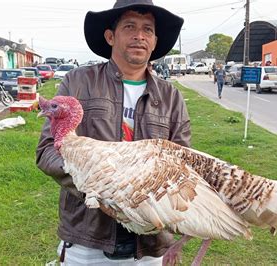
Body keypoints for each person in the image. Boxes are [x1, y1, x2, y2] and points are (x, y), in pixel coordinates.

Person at [36, 0, 189, 265]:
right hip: (88, 238)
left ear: (154, 42)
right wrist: (97, 190)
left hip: (150, 243)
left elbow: (183, 164)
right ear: (110, 36)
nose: (139, 36)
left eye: (148, 30)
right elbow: (47, 150)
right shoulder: (78, 82)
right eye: (129, 26)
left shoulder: (171, 97)